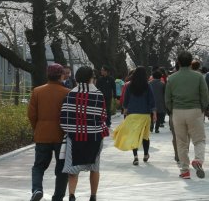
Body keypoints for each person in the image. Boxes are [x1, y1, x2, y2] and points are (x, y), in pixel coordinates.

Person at [60, 67, 109, 201]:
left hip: (74, 136)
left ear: (76, 78)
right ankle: (93, 196)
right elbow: (103, 116)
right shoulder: (98, 95)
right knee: (94, 167)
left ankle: (71, 195)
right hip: (94, 137)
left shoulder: (70, 94)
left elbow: (64, 117)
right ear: (91, 78)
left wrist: (70, 130)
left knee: (73, 168)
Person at [27, 64, 71, 201]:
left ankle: (37, 189)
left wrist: (38, 128)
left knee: (38, 166)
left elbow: (31, 115)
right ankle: (58, 197)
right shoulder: (67, 92)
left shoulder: (37, 91)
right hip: (61, 136)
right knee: (62, 168)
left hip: (42, 135)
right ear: (61, 75)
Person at [165, 51, 209, 180]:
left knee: (181, 142)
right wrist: (203, 108)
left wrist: (172, 109)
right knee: (199, 139)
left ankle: (185, 170)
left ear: (178, 63)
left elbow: (167, 98)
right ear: (191, 62)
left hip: (177, 112)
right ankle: (198, 160)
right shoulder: (198, 76)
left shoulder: (171, 78)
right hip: (195, 110)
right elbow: (205, 95)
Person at [113, 66, 157, 165]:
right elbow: (152, 100)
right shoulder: (147, 85)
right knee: (145, 136)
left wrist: (125, 110)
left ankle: (136, 156)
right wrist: (154, 113)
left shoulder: (129, 85)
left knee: (134, 136)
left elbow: (126, 100)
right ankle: (146, 154)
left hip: (132, 114)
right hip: (145, 115)